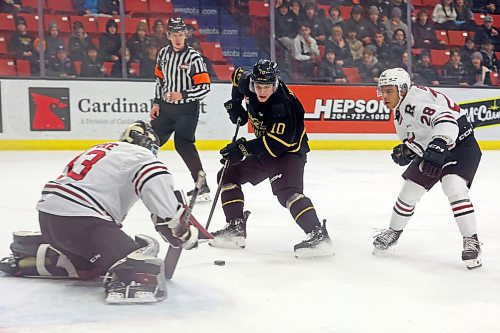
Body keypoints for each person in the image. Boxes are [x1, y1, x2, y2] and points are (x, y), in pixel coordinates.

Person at [0, 121, 199, 303]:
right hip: (83, 224)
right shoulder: (141, 156)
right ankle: (128, 280)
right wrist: (179, 225)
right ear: (151, 146)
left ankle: (51, 257)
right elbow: (156, 185)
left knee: (91, 268)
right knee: (139, 260)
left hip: (48, 219)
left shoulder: (101, 149)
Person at [209, 59, 334, 259]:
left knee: (287, 193)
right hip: (265, 148)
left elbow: (280, 143)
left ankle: (318, 234)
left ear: (275, 84)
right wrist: (235, 103)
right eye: (258, 86)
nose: (261, 91)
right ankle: (235, 227)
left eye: (266, 87)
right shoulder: (247, 81)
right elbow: (236, 76)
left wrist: (243, 147)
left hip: (289, 152)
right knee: (227, 175)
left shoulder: (283, 105)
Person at [373, 68, 482, 270]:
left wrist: (440, 142)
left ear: (403, 89)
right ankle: (394, 232)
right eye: (383, 91)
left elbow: (447, 120)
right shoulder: (400, 112)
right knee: (409, 190)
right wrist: (409, 150)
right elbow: (421, 137)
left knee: (453, 186)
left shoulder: (413, 102)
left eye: (389, 91)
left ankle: (471, 240)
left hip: (461, 146)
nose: (384, 96)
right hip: (438, 145)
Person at [149, 17, 211, 201]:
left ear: (186, 35)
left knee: (183, 144)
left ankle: (203, 187)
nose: (178, 38)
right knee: (151, 141)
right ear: (168, 35)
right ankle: (139, 179)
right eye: (175, 34)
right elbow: (160, 81)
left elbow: (205, 87)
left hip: (187, 110)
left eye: (181, 34)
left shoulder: (194, 57)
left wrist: (182, 95)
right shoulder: (163, 54)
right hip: (166, 108)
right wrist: (157, 102)